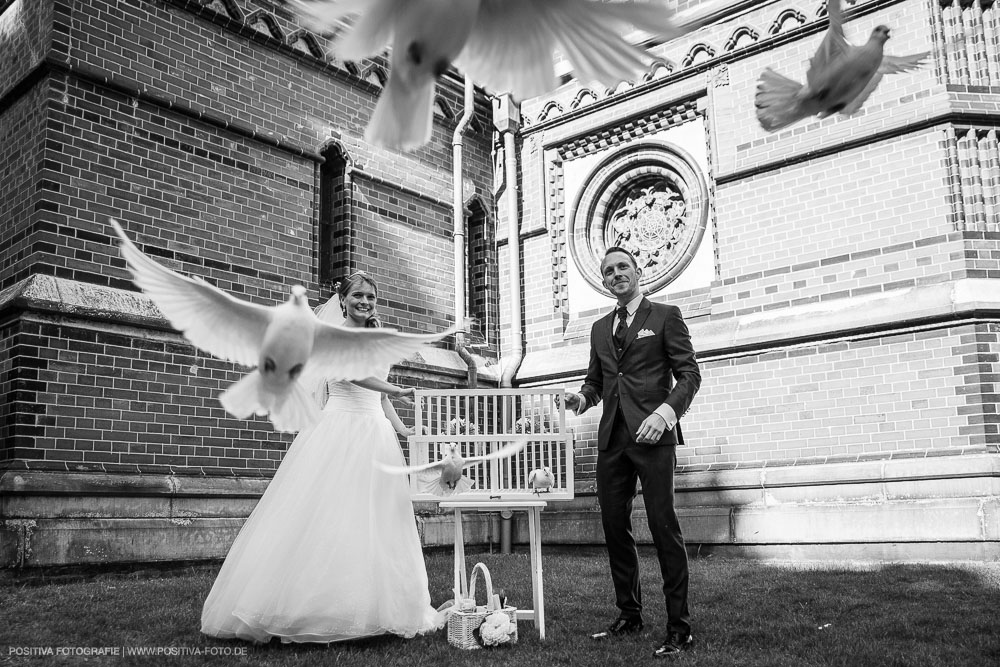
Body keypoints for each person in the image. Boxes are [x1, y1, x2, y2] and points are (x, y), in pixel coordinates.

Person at [201, 271, 445, 643]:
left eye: (372, 297)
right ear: (343, 300)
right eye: (359, 296)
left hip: (375, 433)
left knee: (378, 519)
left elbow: (377, 399)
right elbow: (351, 375)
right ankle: (311, 607)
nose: (366, 302)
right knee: (331, 515)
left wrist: (405, 431)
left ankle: (379, 607)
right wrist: (396, 388)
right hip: (340, 431)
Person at [562, 247, 701, 658]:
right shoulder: (599, 328)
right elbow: (596, 381)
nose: (616, 274)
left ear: (638, 272)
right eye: (609, 271)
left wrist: (666, 413)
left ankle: (680, 627)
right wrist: (581, 400)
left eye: (623, 267)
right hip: (613, 442)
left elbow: (690, 374)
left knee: (663, 528)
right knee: (614, 529)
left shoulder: (665, 316)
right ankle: (629, 614)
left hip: (653, 438)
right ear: (604, 282)